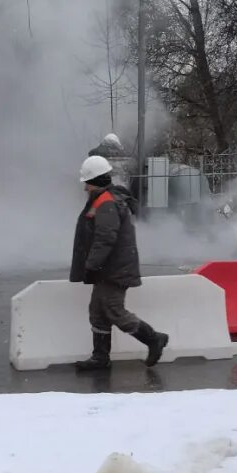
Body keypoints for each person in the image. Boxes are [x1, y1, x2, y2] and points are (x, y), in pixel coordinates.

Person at [69, 155, 169, 371]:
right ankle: (100, 357)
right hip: (109, 269)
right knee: (97, 310)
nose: (85, 188)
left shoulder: (106, 203)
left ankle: (154, 339)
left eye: (87, 183)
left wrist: (91, 265)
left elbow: (105, 238)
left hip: (113, 270)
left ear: (96, 181)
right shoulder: (105, 199)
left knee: (113, 310)